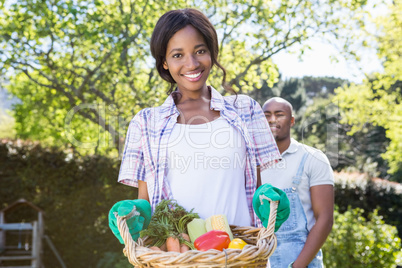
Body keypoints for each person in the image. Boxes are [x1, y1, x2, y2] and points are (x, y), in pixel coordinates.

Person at [117, 8, 281, 230]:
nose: (192, 63)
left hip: (241, 253)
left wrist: (271, 205)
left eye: (200, 51)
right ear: (164, 62)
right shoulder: (146, 123)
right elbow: (145, 202)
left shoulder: (246, 110)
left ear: (212, 53)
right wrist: (131, 218)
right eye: (177, 55)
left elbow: (259, 188)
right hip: (177, 255)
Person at [260, 97, 334, 268]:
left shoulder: (313, 159)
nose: (272, 120)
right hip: (261, 261)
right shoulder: (251, 163)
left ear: (292, 121)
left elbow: (325, 219)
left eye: (280, 115)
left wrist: (297, 266)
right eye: (267, 115)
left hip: (303, 263)